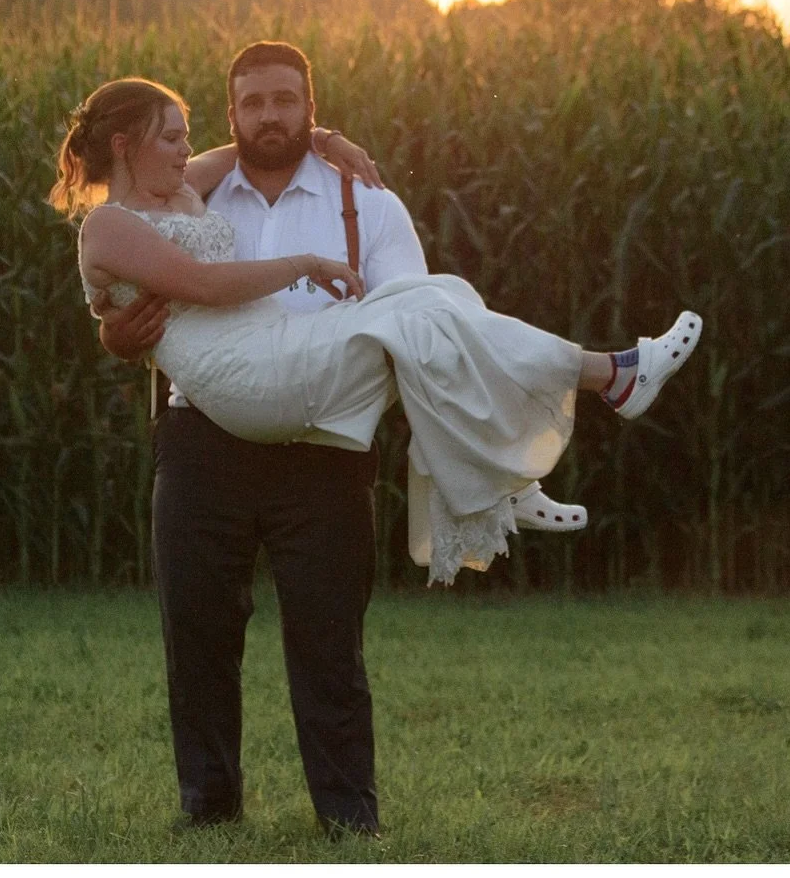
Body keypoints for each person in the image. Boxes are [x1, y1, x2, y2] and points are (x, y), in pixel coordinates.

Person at [54, 57, 702, 836]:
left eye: (286, 102)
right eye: (247, 105)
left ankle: (349, 819)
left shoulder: (355, 197)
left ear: (309, 107)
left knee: (438, 303)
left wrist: (327, 141)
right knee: (198, 635)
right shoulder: (156, 199)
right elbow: (191, 284)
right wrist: (131, 326)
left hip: (315, 433)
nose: (267, 117)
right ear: (135, 142)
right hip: (219, 414)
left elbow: (425, 345)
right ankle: (209, 810)